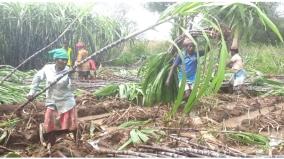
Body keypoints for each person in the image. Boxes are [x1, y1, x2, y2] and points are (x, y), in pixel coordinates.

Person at [27, 48, 78, 146]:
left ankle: (75, 143)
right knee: (50, 123)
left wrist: (71, 77)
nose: (64, 62)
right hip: (52, 100)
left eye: (66, 60)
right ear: (55, 60)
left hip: (66, 101)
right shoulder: (47, 68)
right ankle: (51, 143)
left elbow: (72, 88)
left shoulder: (69, 71)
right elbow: (37, 78)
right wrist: (32, 92)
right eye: (61, 59)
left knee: (71, 125)